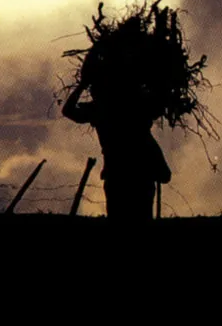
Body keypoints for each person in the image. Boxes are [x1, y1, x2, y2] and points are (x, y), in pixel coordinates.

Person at [62, 56, 171, 221]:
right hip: (139, 176)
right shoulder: (137, 106)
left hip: (117, 177)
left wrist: (82, 84)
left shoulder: (101, 109)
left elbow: (68, 111)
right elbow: (161, 102)